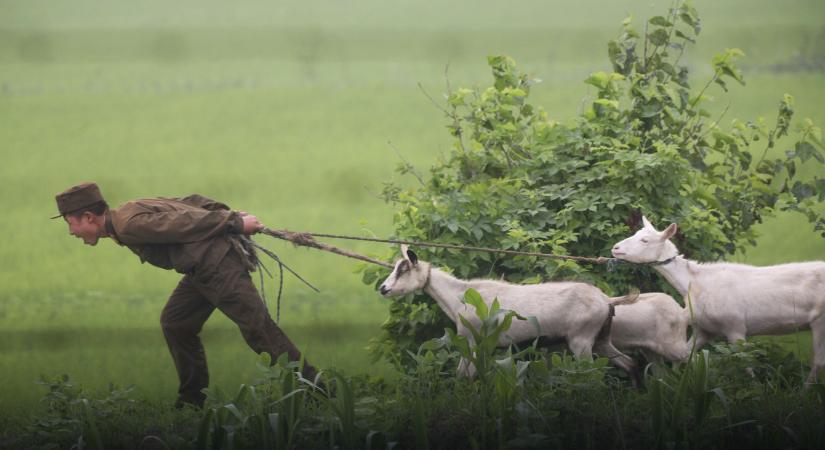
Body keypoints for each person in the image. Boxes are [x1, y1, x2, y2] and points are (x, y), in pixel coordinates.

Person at [53, 182, 319, 408]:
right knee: (176, 323)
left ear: (89, 217)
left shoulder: (127, 226)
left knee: (258, 330)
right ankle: (192, 402)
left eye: (70, 223)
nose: (71, 232)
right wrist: (225, 213)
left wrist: (234, 221)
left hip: (217, 266)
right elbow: (189, 202)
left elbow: (181, 222)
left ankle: (318, 394)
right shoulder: (129, 209)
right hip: (201, 270)